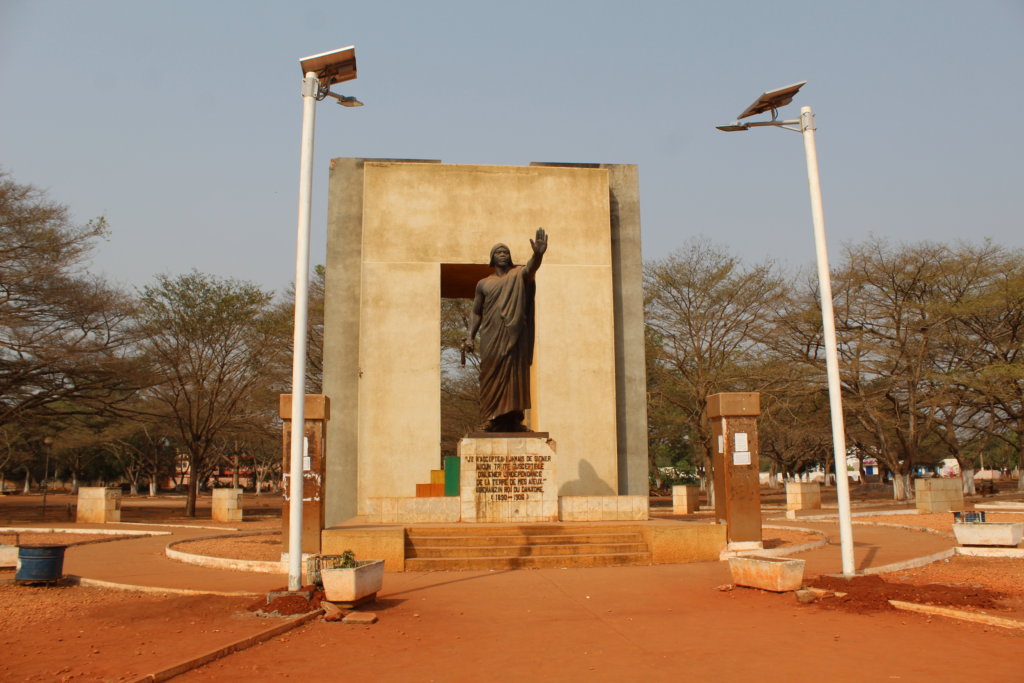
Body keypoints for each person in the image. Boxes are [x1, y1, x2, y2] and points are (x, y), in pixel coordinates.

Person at [462, 228, 548, 432]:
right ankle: (492, 418)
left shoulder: (518, 275)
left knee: (514, 375)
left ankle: (513, 421)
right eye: (498, 252)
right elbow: (476, 313)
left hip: (514, 335)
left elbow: (531, 270)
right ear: (492, 257)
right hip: (491, 335)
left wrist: (538, 254)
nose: (503, 255)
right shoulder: (483, 283)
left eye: (506, 252)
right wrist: (470, 337)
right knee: (490, 374)